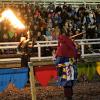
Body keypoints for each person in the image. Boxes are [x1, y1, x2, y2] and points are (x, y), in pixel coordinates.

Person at [54, 29, 78, 100]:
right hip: (72, 67)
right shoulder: (72, 47)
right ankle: (70, 96)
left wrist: (54, 61)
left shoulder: (61, 48)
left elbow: (59, 60)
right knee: (70, 83)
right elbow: (75, 57)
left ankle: (68, 97)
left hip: (65, 68)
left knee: (66, 84)